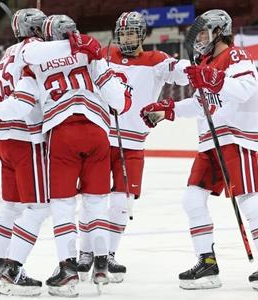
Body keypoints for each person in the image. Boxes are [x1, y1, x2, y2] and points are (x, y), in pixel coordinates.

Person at [141, 9, 258, 292]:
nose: (200, 39)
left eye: (205, 33)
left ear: (220, 31)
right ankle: (207, 262)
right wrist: (168, 110)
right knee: (192, 199)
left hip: (234, 137)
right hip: (210, 139)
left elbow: (243, 89)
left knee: (248, 199)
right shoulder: (206, 62)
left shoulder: (235, 56)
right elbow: (199, 104)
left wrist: (211, 78)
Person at [0, 15, 132, 297]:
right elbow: (119, 101)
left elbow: (23, 101)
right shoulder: (90, 51)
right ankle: (100, 264)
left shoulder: (35, 59)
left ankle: (68, 270)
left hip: (62, 133)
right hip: (98, 132)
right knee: (96, 203)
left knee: (62, 206)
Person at [76, 11, 190, 283]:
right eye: (123, 32)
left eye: (131, 32)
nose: (126, 37)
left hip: (133, 144)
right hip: (101, 139)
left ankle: (110, 255)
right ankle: (85, 253)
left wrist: (196, 67)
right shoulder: (103, 56)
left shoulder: (157, 61)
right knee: (92, 201)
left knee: (120, 203)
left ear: (142, 35)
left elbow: (183, 75)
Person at [0, 8, 48, 296]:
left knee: (12, 206)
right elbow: (24, 103)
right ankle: (13, 270)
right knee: (38, 207)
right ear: (36, 29)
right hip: (27, 139)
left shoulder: (9, 51)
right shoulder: (38, 51)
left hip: (4, 140)